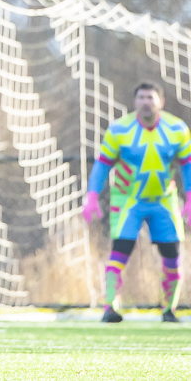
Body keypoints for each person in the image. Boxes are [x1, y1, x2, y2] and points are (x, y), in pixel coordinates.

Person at [83, 82, 191, 323]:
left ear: (160, 102)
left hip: (164, 199)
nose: (145, 102)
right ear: (134, 102)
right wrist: (92, 195)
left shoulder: (177, 129)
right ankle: (110, 307)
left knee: (172, 256)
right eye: (141, 97)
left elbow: (187, 165)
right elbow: (102, 164)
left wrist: (190, 197)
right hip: (128, 200)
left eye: (150, 98)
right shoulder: (120, 130)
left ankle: (169, 310)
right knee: (120, 251)